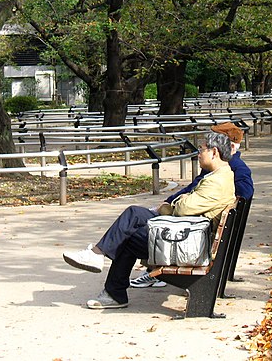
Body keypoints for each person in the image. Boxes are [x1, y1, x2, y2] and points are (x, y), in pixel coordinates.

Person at [62, 130, 236, 309]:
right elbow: (187, 206)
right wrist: (180, 202)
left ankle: (103, 269)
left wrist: (169, 206)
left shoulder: (218, 181)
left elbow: (184, 208)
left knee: (133, 217)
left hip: (187, 245)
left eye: (202, 149)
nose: (198, 153)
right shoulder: (221, 176)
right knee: (131, 225)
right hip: (186, 237)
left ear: (214, 152)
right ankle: (109, 283)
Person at [130, 121, 254, 289]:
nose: (207, 146)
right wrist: (172, 199)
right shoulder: (217, 167)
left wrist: (222, 198)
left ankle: (147, 272)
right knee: (134, 220)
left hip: (195, 227)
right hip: (192, 217)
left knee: (132, 226)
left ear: (229, 146)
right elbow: (192, 187)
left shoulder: (233, 168)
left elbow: (245, 194)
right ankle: (144, 272)